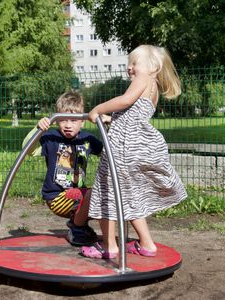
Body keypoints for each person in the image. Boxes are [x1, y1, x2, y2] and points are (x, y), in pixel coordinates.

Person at [80, 45, 188, 259]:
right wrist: (112, 119)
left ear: (153, 67)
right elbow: (133, 116)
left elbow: (125, 101)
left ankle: (109, 247)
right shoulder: (152, 88)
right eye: (128, 63)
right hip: (136, 146)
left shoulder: (143, 80)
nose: (129, 67)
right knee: (129, 196)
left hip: (122, 149)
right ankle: (147, 244)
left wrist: (98, 109)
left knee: (105, 193)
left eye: (134, 63)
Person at [22, 91, 110, 246]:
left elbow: (108, 152)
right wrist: (38, 129)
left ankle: (81, 227)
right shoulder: (51, 138)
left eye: (74, 120)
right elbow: (27, 150)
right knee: (91, 194)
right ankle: (77, 228)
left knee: (103, 195)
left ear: (82, 121)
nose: (68, 125)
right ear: (56, 121)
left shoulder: (87, 139)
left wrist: (107, 125)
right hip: (57, 197)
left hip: (78, 195)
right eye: (63, 120)